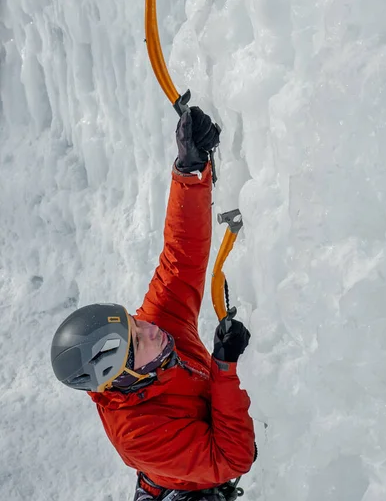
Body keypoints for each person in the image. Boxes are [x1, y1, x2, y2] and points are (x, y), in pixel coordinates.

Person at [51, 107, 255, 501]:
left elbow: (180, 260)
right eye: (138, 336)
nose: (149, 326)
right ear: (123, 371)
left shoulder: (152, 331)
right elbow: (233, 457)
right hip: (189, 479)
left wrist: (189, 171)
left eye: (134, 321)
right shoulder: (138, 434)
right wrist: (224, 370)